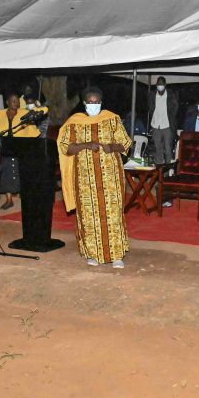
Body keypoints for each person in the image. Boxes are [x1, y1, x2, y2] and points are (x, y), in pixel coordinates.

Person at [58, 87, 132, 267]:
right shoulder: (74, 123)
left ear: (101, 102)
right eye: (90, 102)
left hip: (110, 176)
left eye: (97, 102)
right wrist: (85, 145)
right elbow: (65, 147)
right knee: (88, 213)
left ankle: (116, 255)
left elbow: (125, 143)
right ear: (84, 103)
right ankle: (92, 252)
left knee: (112, 213)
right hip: (85, 178)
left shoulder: (112, 119)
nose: (94, 105)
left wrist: (111, 147)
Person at [147, 77, 178, 165]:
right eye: (158, 84)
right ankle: (159, 169)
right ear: (156, 85)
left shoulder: (171, 95)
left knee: (168, 148)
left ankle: (168, 169)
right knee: (157, 148)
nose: (160, 86)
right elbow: (150, 108)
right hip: (156, 125)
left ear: (165, 85)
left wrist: (171, 119)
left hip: (167, 125)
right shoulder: (152, 95)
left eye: (161, 84)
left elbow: (175, 109)